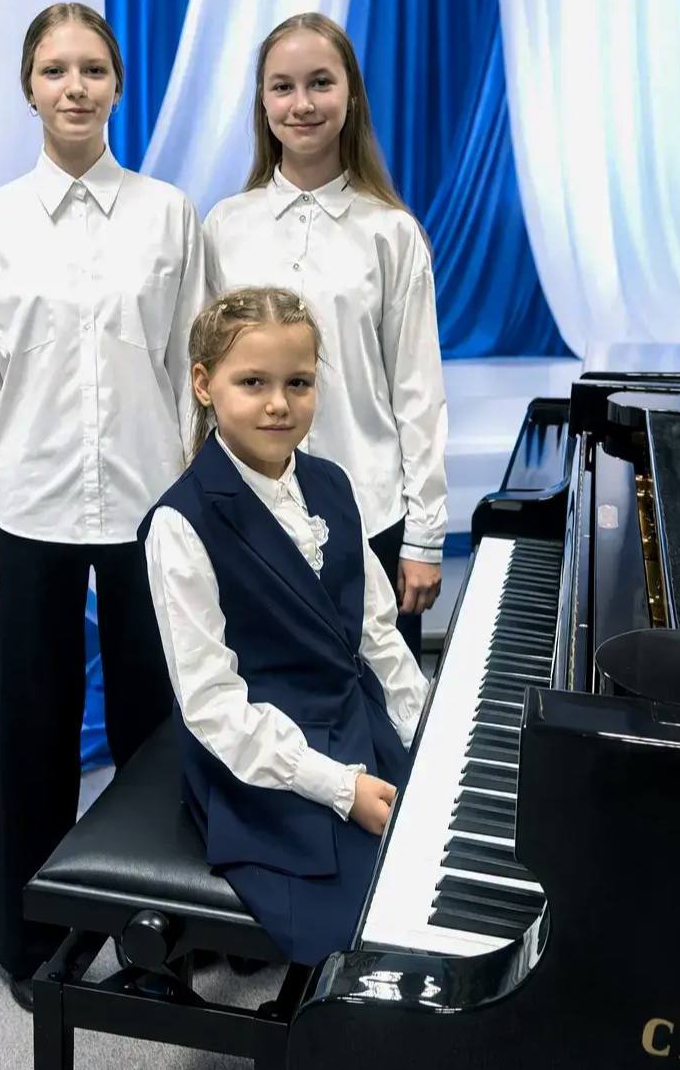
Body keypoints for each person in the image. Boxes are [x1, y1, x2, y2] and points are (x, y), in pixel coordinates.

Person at [0, 2, 205, 1009]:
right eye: (55, 69)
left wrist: (202, 506)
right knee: (31, 736)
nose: (75, 87)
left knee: (157, 731)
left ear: (118, 84)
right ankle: (31, 943)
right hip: (24, 507)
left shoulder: (169, 215)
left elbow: (194, 372)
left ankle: (159, 936)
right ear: (29, 87)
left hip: (151, 506)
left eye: (93, 68)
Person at [138, 287, 429, 965]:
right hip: (257, 754)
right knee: (370, 927)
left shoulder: (332, 484)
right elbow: (211, 706)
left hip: (349, 712)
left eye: (298, 383)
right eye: (253, 383)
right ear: (205, 385)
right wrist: (340, 788)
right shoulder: (180, 524)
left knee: (435, 847)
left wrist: (422, 728)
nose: (279, 404)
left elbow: (376, 632)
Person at [204, 13, 447, 659]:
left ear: (351, 95)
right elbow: (202, 386)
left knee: (380, 704)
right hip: (250, 520)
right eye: (282, 86)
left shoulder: (392, 233)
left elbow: (419, 392)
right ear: (262, 103)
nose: (302, 103)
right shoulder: (224, 226)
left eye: (320, 82)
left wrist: (425, 536)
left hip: (369, 513)